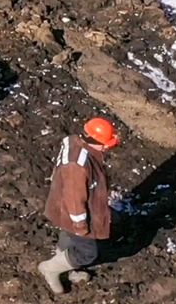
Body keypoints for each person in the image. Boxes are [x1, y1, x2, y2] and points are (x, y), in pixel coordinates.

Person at [40, 117, 120, 294]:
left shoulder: (74, 143)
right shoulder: (77, 167)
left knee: (68, 236)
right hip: (73, 211)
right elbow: (75, 199)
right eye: (105, 144)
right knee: (87, 252)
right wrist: (80, 225)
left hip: (62, 205)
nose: (106, 148)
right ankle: (51, 268)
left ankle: (64, 265)